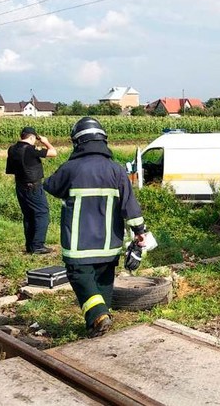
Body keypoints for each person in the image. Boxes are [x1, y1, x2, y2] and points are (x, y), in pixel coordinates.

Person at [44, 117, 147, 338]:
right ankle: (98, 325)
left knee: (82, 279)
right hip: (109, 245)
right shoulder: (117, 170)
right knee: (103, 282)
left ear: (78, 142)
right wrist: (140, 232)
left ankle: (99, 315)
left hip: (78, 246)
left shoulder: (71, 168)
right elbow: (130, 206)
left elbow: (51, 186)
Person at [6, 126, 57, 254]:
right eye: (35, 139)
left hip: (20, 186)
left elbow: (10, 170)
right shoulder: (30, 149)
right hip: (33, 187)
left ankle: (30, 246)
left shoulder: (12, 149)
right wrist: (45, 141)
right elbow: (53, 152)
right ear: (32, 137)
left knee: (28, 216)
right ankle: (38, 245)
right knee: (42, 213)